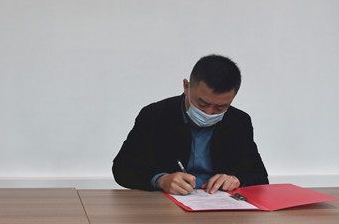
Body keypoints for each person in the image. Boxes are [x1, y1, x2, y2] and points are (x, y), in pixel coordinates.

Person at [112, 54, 267, 195]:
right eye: (202, 103)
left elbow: (260, 176)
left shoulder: (238, 121)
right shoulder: (155, 115)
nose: (209, 112)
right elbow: (122, 169)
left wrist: (237, 180)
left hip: (220, 208)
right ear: (186, 87)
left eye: (220, 107)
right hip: (167, 207)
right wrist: (161, 180)